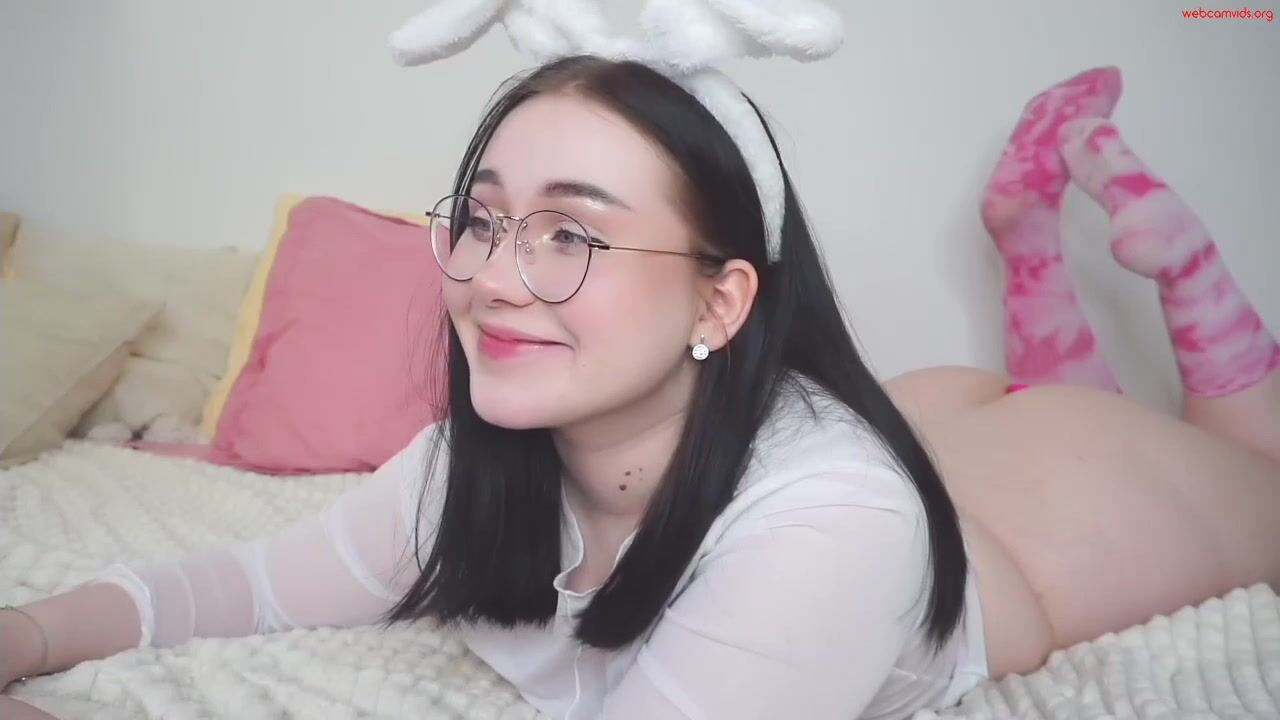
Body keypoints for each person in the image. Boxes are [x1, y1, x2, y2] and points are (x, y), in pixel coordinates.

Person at [4, 31, 1280, 720]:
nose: (495, 278)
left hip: (1055, 514)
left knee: (1252, 454)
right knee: (955, 407)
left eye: (571, 233)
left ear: (720, 298)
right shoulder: (475, 462)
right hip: (900, 435)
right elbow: (244, 584)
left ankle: (1150, 256)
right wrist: (30, 635)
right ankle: (1032, 260)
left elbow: (832, 517)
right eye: (483, 218)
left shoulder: (836, 523)